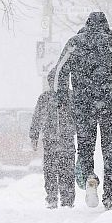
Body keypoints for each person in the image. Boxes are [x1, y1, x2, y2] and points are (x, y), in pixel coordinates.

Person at [52, 11, 112, 210]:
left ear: (87, 24)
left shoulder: (74, 43)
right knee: (110, 151)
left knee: (85, 148)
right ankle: (110, 195)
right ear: (105, 25)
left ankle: (90, 176)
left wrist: (61, 99)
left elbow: (60, 72)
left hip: (82, 106)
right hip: (108, 106)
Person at [30, 68, 76, 209]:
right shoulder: (45, 98)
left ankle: (67, 199)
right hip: (51, 141)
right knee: (51, 171)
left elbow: (79, 117)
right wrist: (34, 135)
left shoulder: (70, 97)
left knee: (67, 171)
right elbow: (37, 117)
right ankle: (52, 198)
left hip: (66, 140)